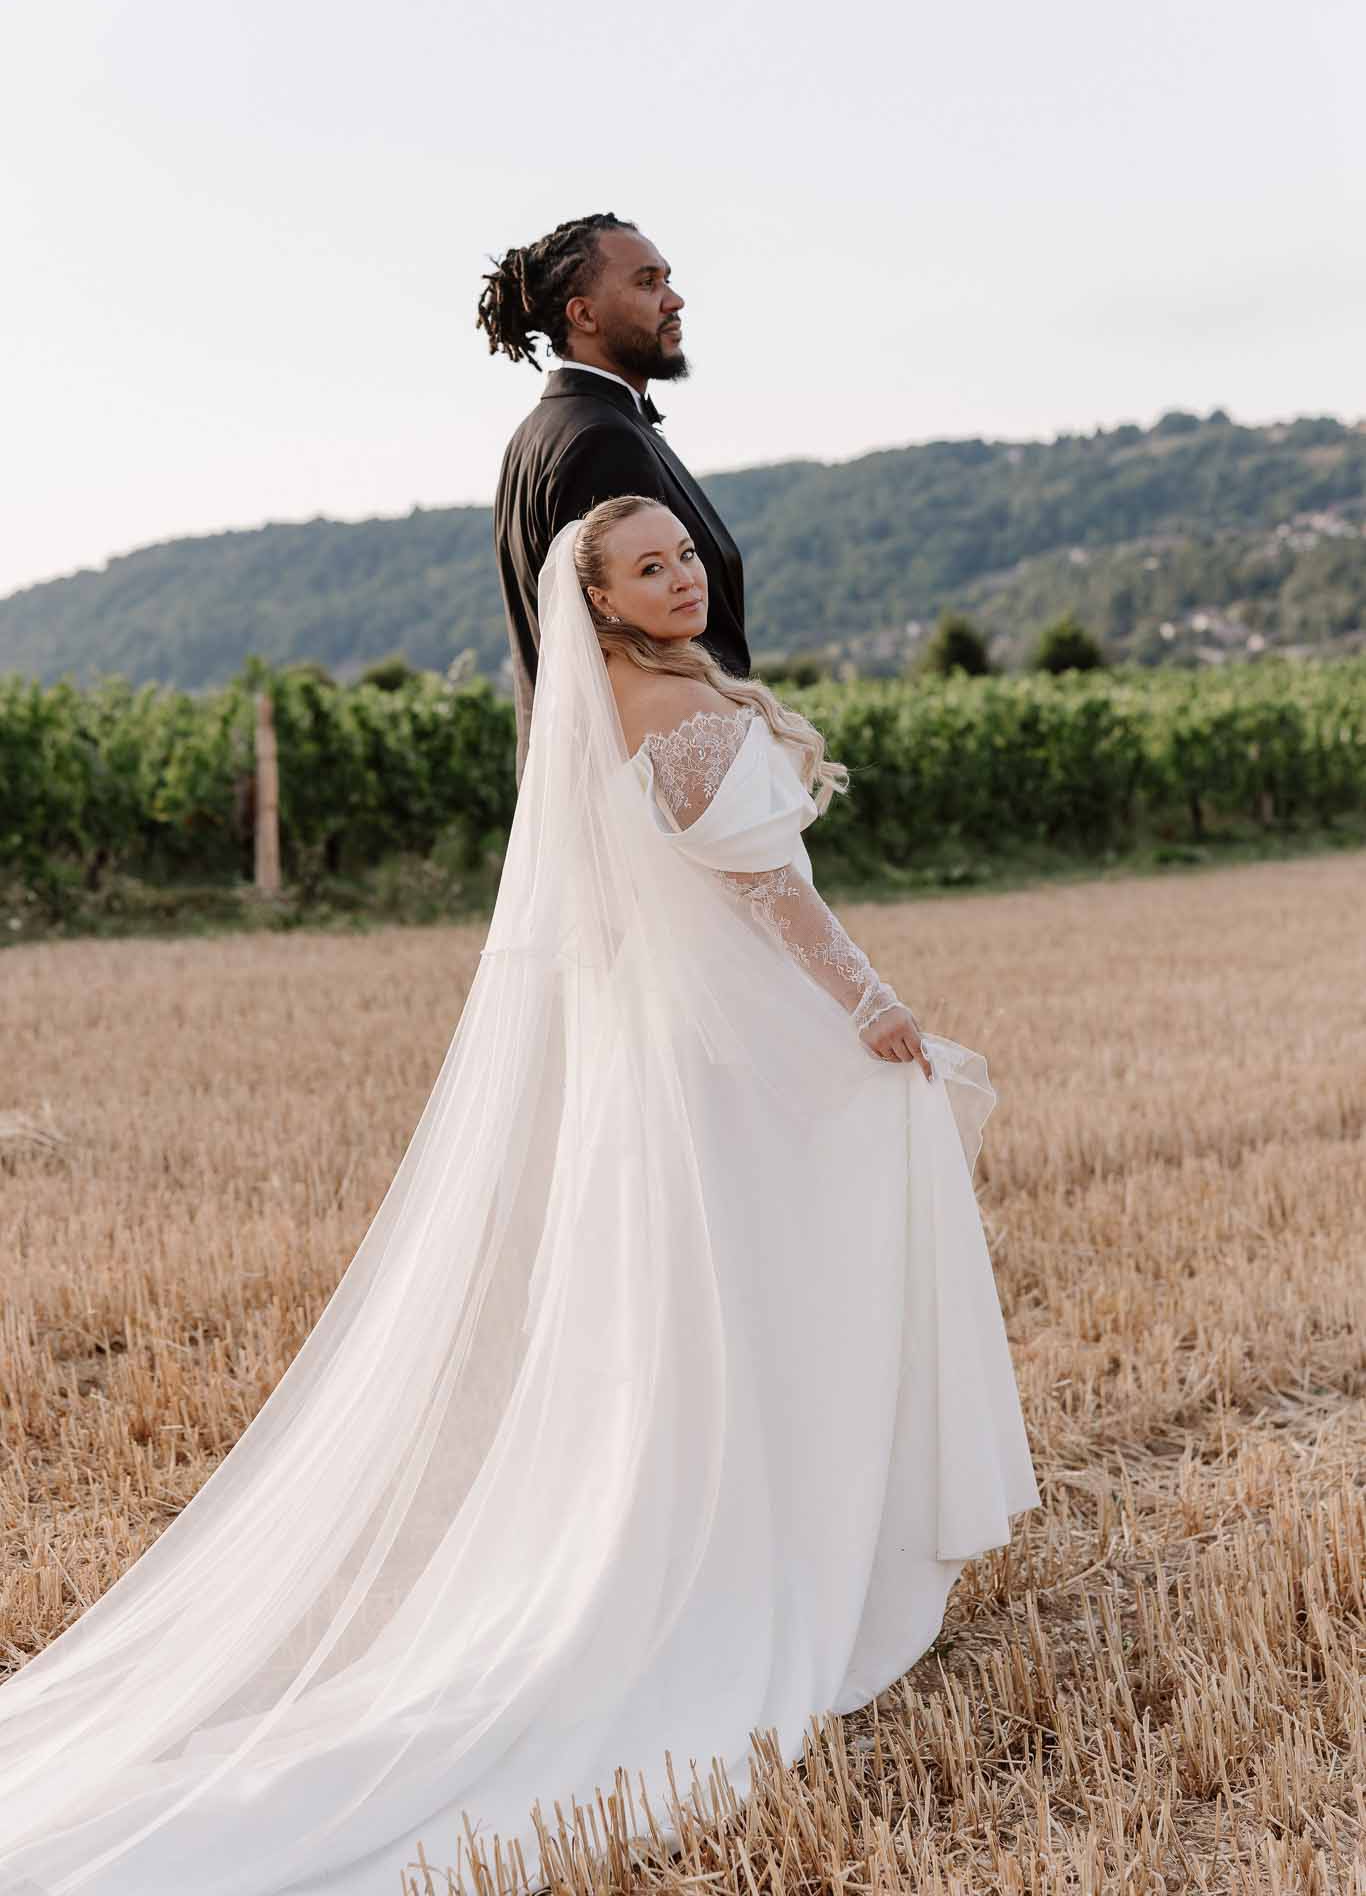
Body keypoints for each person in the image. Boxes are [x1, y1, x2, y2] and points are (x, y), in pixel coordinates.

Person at [0, 499, 1040, 1896]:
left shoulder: (596, 712)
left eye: (684, 558)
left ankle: (743, 1539)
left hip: (663, 1055)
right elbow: (774, 903)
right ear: (598, 598)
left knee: (706, 1318)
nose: (680, 579)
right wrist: (877, 1011)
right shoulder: (676, 714)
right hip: (738, 1053)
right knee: (782, 1288)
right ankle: (769, 1568)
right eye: (648, 569)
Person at [481, 210, 750, 783]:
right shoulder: (601, 442)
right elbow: (630, 649)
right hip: (660, 801)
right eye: (647, 282)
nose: (673, 300)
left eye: (668, 279)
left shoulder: (544, 432)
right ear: (584, 315)